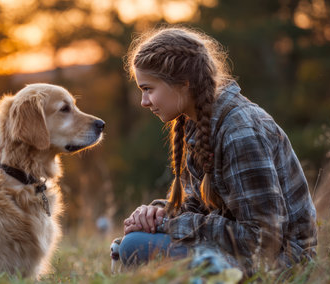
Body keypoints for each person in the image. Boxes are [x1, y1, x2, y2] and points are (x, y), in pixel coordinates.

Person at [117, 27, 317, 276]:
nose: (143, 102)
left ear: (183, 83)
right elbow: (199, 203)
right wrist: (157, 213)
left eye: (148, 89)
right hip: (245, 251)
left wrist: (171, 224)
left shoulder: (239, 133)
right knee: (131, 242)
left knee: (135, 248)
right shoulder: (199, 122)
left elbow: (265, 237)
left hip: (281, 262)